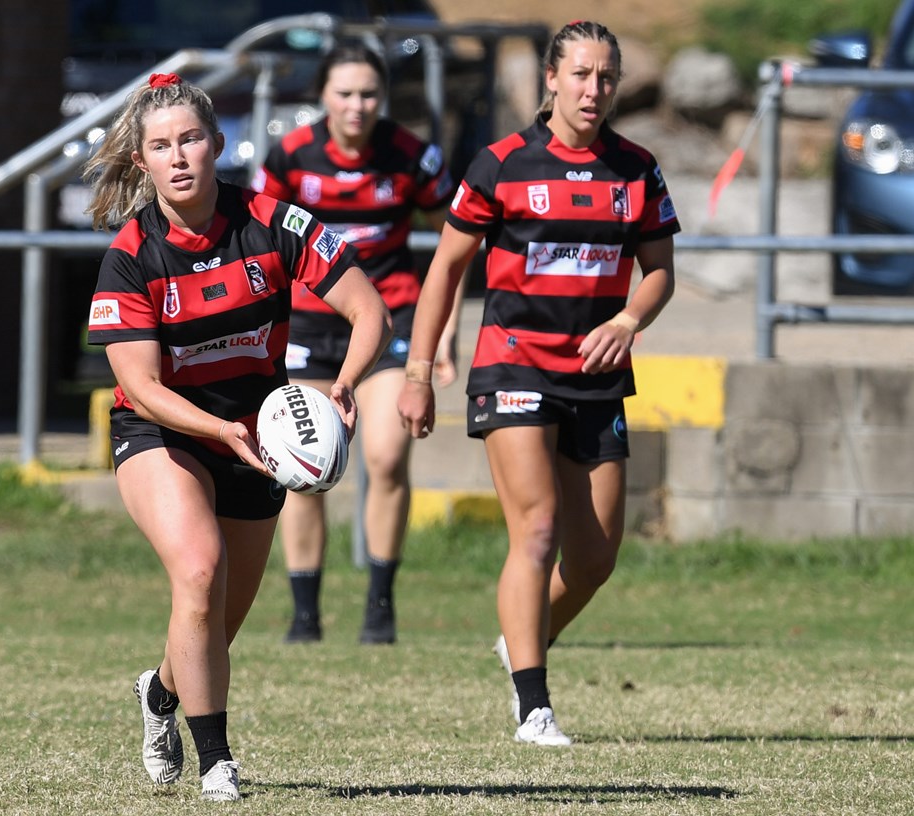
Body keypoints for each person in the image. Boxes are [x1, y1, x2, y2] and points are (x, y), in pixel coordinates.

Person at [84, 73, 390, 800]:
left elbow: (370, 311)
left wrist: (343, 388)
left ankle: (160, 693)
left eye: (191, 139)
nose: (179, 156)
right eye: (161, 146)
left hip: (260, 434)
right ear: (142, 162)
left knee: (217, 619)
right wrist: (222, 428)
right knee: (198, 569)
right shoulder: (130, 256)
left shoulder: (274, 224)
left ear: (218, 144)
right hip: (163, 429)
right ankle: (217, 757)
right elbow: (146, 385)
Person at [398, 21, 679, 745]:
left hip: (598, 375)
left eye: (607, 77)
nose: (595, 89)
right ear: (550, 80)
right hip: (513, 364)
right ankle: (535, 705)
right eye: (581, 74)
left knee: (596, 556)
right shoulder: (500, 164)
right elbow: (445, 272)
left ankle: (520, 639)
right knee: (540, 528)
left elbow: (660, 275)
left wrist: (627, 321)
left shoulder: (637, 169)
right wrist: (419, 371)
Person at [253, 43, 461, 645]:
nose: (357, 105)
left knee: (387, 456)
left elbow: (456, 242)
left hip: (387, 321)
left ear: (384, 98)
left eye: (369, 93)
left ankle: (379, 605)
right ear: (322, 95)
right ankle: (305, 612)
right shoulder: (290, 157)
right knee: (300, 465)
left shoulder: (413, 156)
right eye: (344, 92)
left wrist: (446, 328)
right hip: (308, 328)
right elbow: (261, 240)